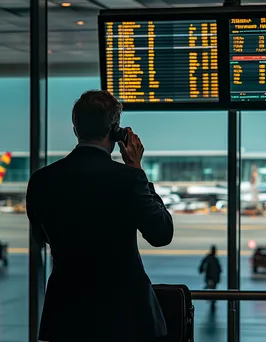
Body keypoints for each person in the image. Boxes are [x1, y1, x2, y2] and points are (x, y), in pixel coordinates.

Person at [26, 90, 174, 342]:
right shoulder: (128, 179)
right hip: (125, 316)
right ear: (116, 131)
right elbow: (161, 234)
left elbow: (42, 236)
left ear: (76, 128)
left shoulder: (41, 180)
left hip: (66, 314)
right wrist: (137, 170)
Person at [199, 245, 222, 310]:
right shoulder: (213, 258)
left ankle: (212, 301)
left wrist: (201, 270)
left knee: (212, 289)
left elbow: (203, 264)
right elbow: (218, 268)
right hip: (212, 277)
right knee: (213, 289)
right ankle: (212, 302)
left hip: (212, 277)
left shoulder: (212, 258)